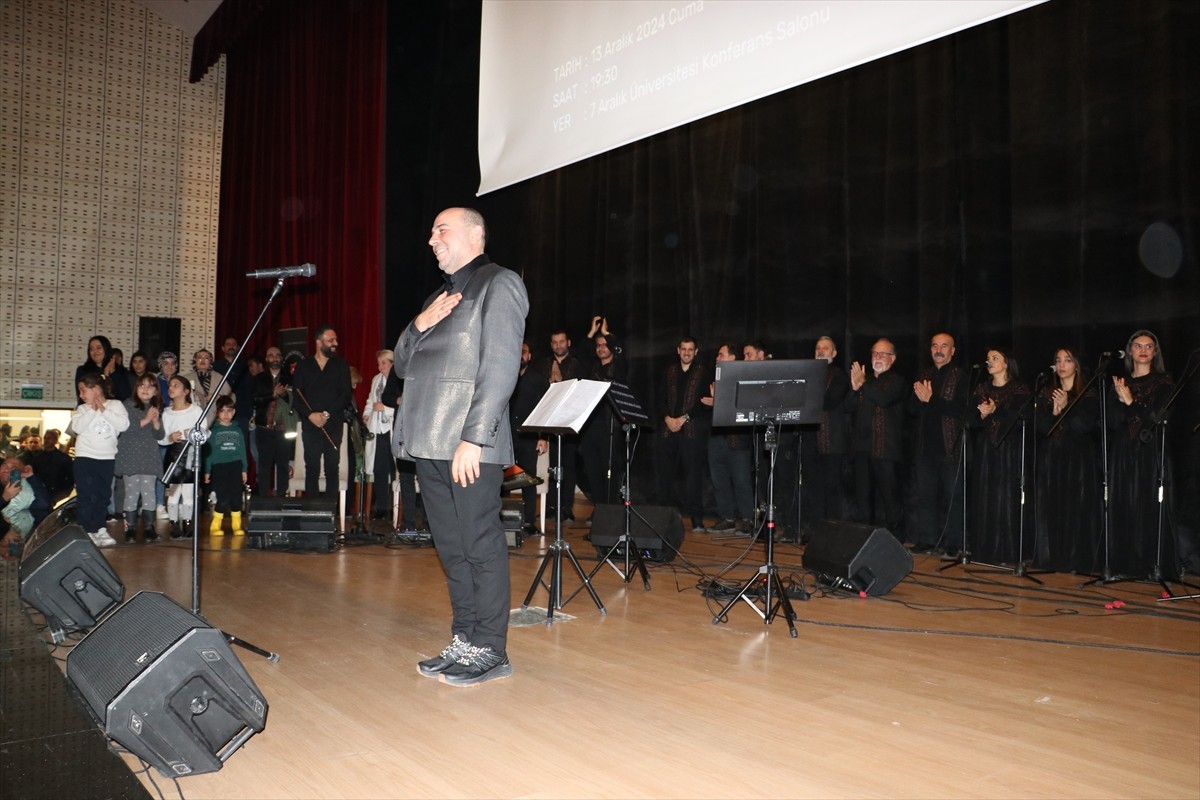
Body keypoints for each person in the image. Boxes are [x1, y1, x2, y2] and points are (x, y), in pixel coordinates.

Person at [393, 207, 528, 686]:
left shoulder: (499, 282)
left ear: (475, 234)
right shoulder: (438, 296)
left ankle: (491, 648)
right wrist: (419, 323)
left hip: (467, 443)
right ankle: (465, 638)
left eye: (441, 230)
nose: (431, 239)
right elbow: (402, 366)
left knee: (479, 545)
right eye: (431, 231)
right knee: (451, 548)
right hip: (428, 443)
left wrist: (475, 436)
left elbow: (500, 367)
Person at [1108, 330, 1177, 579]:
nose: (1143, 350)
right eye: (1138, 345)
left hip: (1151, 453)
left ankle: (1152, 566)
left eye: (1149, 346)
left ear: (1155, 352)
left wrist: (1130, 402)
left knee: (1149, 507)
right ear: (1129, 351)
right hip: (1123, 453)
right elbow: (1113, 423)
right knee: (1124, 504)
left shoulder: (1164, 383)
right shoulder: (1120, 383)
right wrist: (1119, 399)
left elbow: (1157, 418)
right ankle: (1123, 566)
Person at [1035, 347, 1099, 572]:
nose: (1061, 365)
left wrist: (1067, 407)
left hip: (1078, 459)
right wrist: (1054, 412)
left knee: (1076, 507)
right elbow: (1041, 428)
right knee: (1051, 507)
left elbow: (1085, 426)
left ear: (1077, 365)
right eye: (1058, 360)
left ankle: (1075, 559)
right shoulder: (1047, 392)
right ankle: (1052, 557)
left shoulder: (1087, 392)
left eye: (1067, 360)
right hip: (1051, 457)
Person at [966, 348, 1030, 564]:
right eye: (988, 359)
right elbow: (971, 421)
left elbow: (1020, 417)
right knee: (985, 497)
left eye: (995, 358)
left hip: (1009, 450)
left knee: (1007, 498)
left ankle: (1008, 552)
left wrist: (996, 411)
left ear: (1007, 363)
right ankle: (984, 551)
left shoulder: (1019, 389)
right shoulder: (982, 388)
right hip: (986, 451)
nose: (989, 362)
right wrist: (980, 415)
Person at [908, 332, 969, 553]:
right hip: (925, 448)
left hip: (949, 447)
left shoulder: (961, 376)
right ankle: (927, 540)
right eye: (934, 346)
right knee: (925, 496)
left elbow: (961, 410)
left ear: (953, 351)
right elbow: (911, 409)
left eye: (944, 346)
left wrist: (932, 400)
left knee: (953, 497)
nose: (938, 350)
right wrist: (921, 400)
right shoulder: (924, 374)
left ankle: (954, 544)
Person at [850, 339, 907, 537]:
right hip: (862, 449)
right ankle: (864, 540)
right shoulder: (866, 382)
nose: (878, 357)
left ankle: (895, 541)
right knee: (863, 499)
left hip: (885, 448)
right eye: (875, 353)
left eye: (883, 354)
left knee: (890, 499)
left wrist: (863, 384)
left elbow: (883, 399)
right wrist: (855, 389)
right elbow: (849, 408)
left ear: (893, 358)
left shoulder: (896, 380)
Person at [68, 373, 129, 546]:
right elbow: (77, 427)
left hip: (106, 458)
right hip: (85, 458)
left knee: (103, 494)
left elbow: (123, 425)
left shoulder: (115, 405)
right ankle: (87, 529)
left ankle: (100, 528)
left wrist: (103, 409)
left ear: (96, 389)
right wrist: (93, 410)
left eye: (82, 390)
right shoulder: (82, 409)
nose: (80, 395)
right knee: (87, 494)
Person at [291, 326, 352, 498]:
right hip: (310, 424)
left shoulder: (341, 364)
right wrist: (311, 415)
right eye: (330, 340)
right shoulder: (303, 365)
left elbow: (345, 394)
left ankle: (330, 512)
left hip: (333, 424)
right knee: (312, 467)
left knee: (332, 466)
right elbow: (297, 395)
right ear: (318, 343)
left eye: (335, 340)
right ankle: (311, 510)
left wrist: (326, 415)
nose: (335, 343)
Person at [799, 335, 852, 533]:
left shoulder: (839, 376)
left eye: (826, 348)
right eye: (818, 348)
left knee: (832, 489)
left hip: (832, 442)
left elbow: (830, 401)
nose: (821, 351)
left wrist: (807, 396)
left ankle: (833, 533)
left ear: (834, 353)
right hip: (811, 441)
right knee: (813, 489)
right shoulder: (807, 374)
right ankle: (815, 532)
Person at [656, 336, 710, 529]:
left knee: (693, 477)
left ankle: (697, 520)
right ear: (678, 350)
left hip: (691, 431)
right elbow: (660, 399)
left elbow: (704, 403)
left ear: (696, 352)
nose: (687, 353)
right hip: (668, 430)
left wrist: (683, 419)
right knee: (665, 476)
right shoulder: (668, 371)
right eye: (683, 349)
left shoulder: (703, 373)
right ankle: (664, 518)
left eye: (690, 349)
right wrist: (667, 419)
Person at [700, 342, 753, 533]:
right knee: (719, 479)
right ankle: (727, 517)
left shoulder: (743, 377)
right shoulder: (717, 377)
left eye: (721, 355)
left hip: (737, 437)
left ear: (732, 357)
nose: (717, 358)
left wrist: (718, 402)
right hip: (717, 436)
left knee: (741, 480)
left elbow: (743, 405)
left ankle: (748, 518)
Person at [115, 373, 165, 542]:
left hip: (149, 456)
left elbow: (160, 435)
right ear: (136, 388)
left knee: (149, 492)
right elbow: (126, 429)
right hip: (131, 456)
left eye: (150, 386)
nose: (145, 389)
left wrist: (156, 421)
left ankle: (149, 528)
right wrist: (147, 419)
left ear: (155, 391)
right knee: (132, 493)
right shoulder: (127, 405)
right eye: (142, 385)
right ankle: (130, 529)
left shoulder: (155, 407)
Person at [509, 341, 549, 535]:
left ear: (529, 356)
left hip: (528, 437)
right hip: (505, 438)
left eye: (524, 352)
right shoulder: (506, 376)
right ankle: (500, 519)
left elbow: (544, 411)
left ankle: (528, 522)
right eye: (517, 352)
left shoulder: (539, 380)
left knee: (528, 480)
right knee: (500, 479)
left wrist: (543, 437)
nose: (520, 356)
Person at [160, 375, 205, 538]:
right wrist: (169, 437)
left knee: (188, 493)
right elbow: (162, 438)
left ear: (186, 391)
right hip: (174, 454)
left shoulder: (196, 410)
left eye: (176, 385)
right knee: (173, 493)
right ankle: (173, 524)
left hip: (191, 454)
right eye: (170, 385)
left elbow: (205, 433)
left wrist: (192, 434)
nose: (171, 388)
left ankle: (187, 523)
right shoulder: (167, 413)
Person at [205, 395, 248, 535]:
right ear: (217, 413)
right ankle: (215, 525)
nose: (226, 414)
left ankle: (237, 525)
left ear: (234, 412)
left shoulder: (238, 430)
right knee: (222, 496)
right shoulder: (213, 431)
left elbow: (242, 451)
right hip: (219, 467)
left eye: (229, 411)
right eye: (222, 411)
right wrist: (207, 470)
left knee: (236, 496)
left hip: (235, 465)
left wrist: (244, 469)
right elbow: (209, 453)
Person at [363, 349, 397, 520]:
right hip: (377, 429)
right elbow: (371, 400)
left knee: (395, 469)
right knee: (379, 469)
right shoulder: (376, 380)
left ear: (392, 363)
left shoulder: (399, 380)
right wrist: (367, 413)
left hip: (393, 428)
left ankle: (396, 506)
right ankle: (382, 507)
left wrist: (385, 409)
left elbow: (403, 404)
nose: (380, 367)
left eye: (383, 363)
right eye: (379, 363)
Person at [76, 335, 131, 401]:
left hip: (113, 409)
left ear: (106, 349)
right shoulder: (82, 371)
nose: (95, 351)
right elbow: (82, 395)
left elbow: (125, 395)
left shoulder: (120, 370)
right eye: (92, 349)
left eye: (99, 348)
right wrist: (105, 375)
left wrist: (113, 373)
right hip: (90, 409)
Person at [31, 429, 73, 504]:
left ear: (56, 441)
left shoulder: (64, 458)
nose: (46, 441)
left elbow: (70, 480)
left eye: (49, 438)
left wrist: (60, 496)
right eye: (45, 438)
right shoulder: (37, 457)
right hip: (40, 494)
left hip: (57, 495)